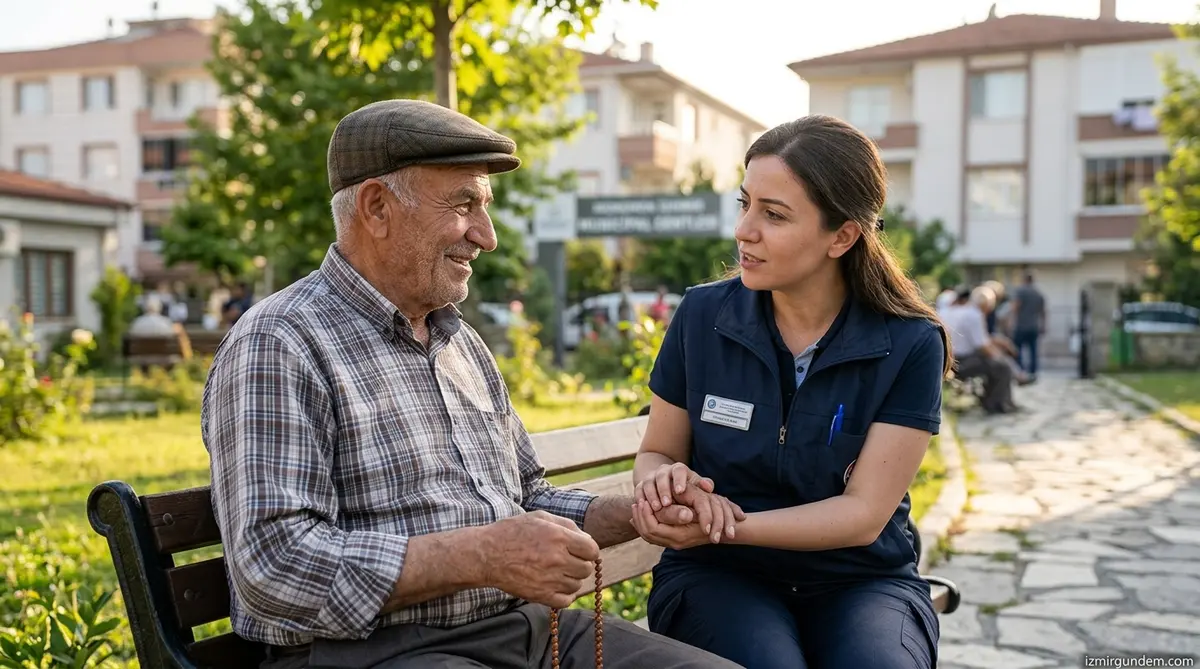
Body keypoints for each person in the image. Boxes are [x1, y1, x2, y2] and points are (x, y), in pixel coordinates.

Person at [200, 99, 741, 669]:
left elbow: (527, 498)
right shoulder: (279, 343)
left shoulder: (460, 341)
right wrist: (481, 555)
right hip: (371, 654)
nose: (487, 236)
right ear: (377, 207)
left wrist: (634, 514)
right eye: (464, 205)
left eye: (484, 208)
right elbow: (274, 565)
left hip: (525, 631)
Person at [627, 114, 952, 669]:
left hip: (861, 580)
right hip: (719, 578)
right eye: (745, 203)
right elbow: (657, 450)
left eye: (773, 215)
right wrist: (664, 483)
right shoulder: (703, 315)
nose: (744, 230)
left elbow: (863, 515)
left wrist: (721, 524)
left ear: (843, 236)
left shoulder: (911, 343)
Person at [942, 286, 1018, 413]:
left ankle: (992, 401)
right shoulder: (975, 315)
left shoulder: (958, 311)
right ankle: (998, 404)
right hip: (961, 362)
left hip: (950, 360)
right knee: (1003, 367)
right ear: (986, 305)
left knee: (995, 364)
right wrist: (999, 357)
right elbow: (982, 345)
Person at [1009, 271, 1046, 380]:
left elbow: (1015, 307)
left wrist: (1011, 322)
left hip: (1021, 325)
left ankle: (1020, 371)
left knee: (1017, 349)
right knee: (1033, 350)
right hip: (1034, 325)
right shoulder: (1038, 293)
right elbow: (1043, 311)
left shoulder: (1021, 291)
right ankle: (1033, 372)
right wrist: (1043, 325)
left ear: (1024, 280)